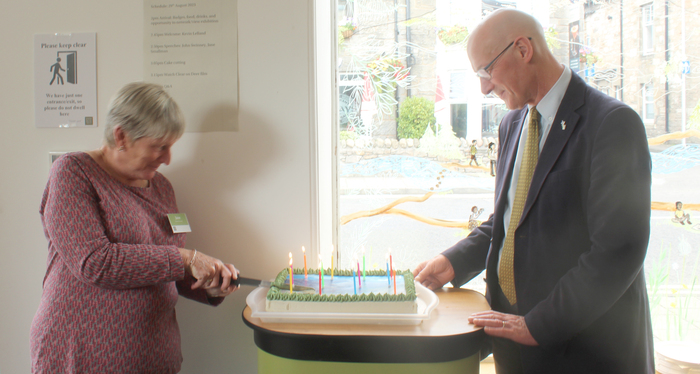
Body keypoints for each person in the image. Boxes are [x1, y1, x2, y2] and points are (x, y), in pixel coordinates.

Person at [413, 9, 654, 374]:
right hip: (517, 348)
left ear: (523, 49)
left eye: (486, 70)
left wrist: (536, 325)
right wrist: (454, 262)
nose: (483, 87)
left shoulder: (612, 123)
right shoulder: (512, 124)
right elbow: (511, 220)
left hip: (587, 353)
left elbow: (618, 251)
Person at [30, 82, 239, 373]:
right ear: (121, 136)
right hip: (80, 356)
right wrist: (186, 259)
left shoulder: (163, 187)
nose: (168, 159)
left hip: (153, 357)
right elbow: (95, 262)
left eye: (171, 147)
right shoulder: (73, 173)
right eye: (159, 146)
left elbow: (164, 270)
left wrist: (210, 285)